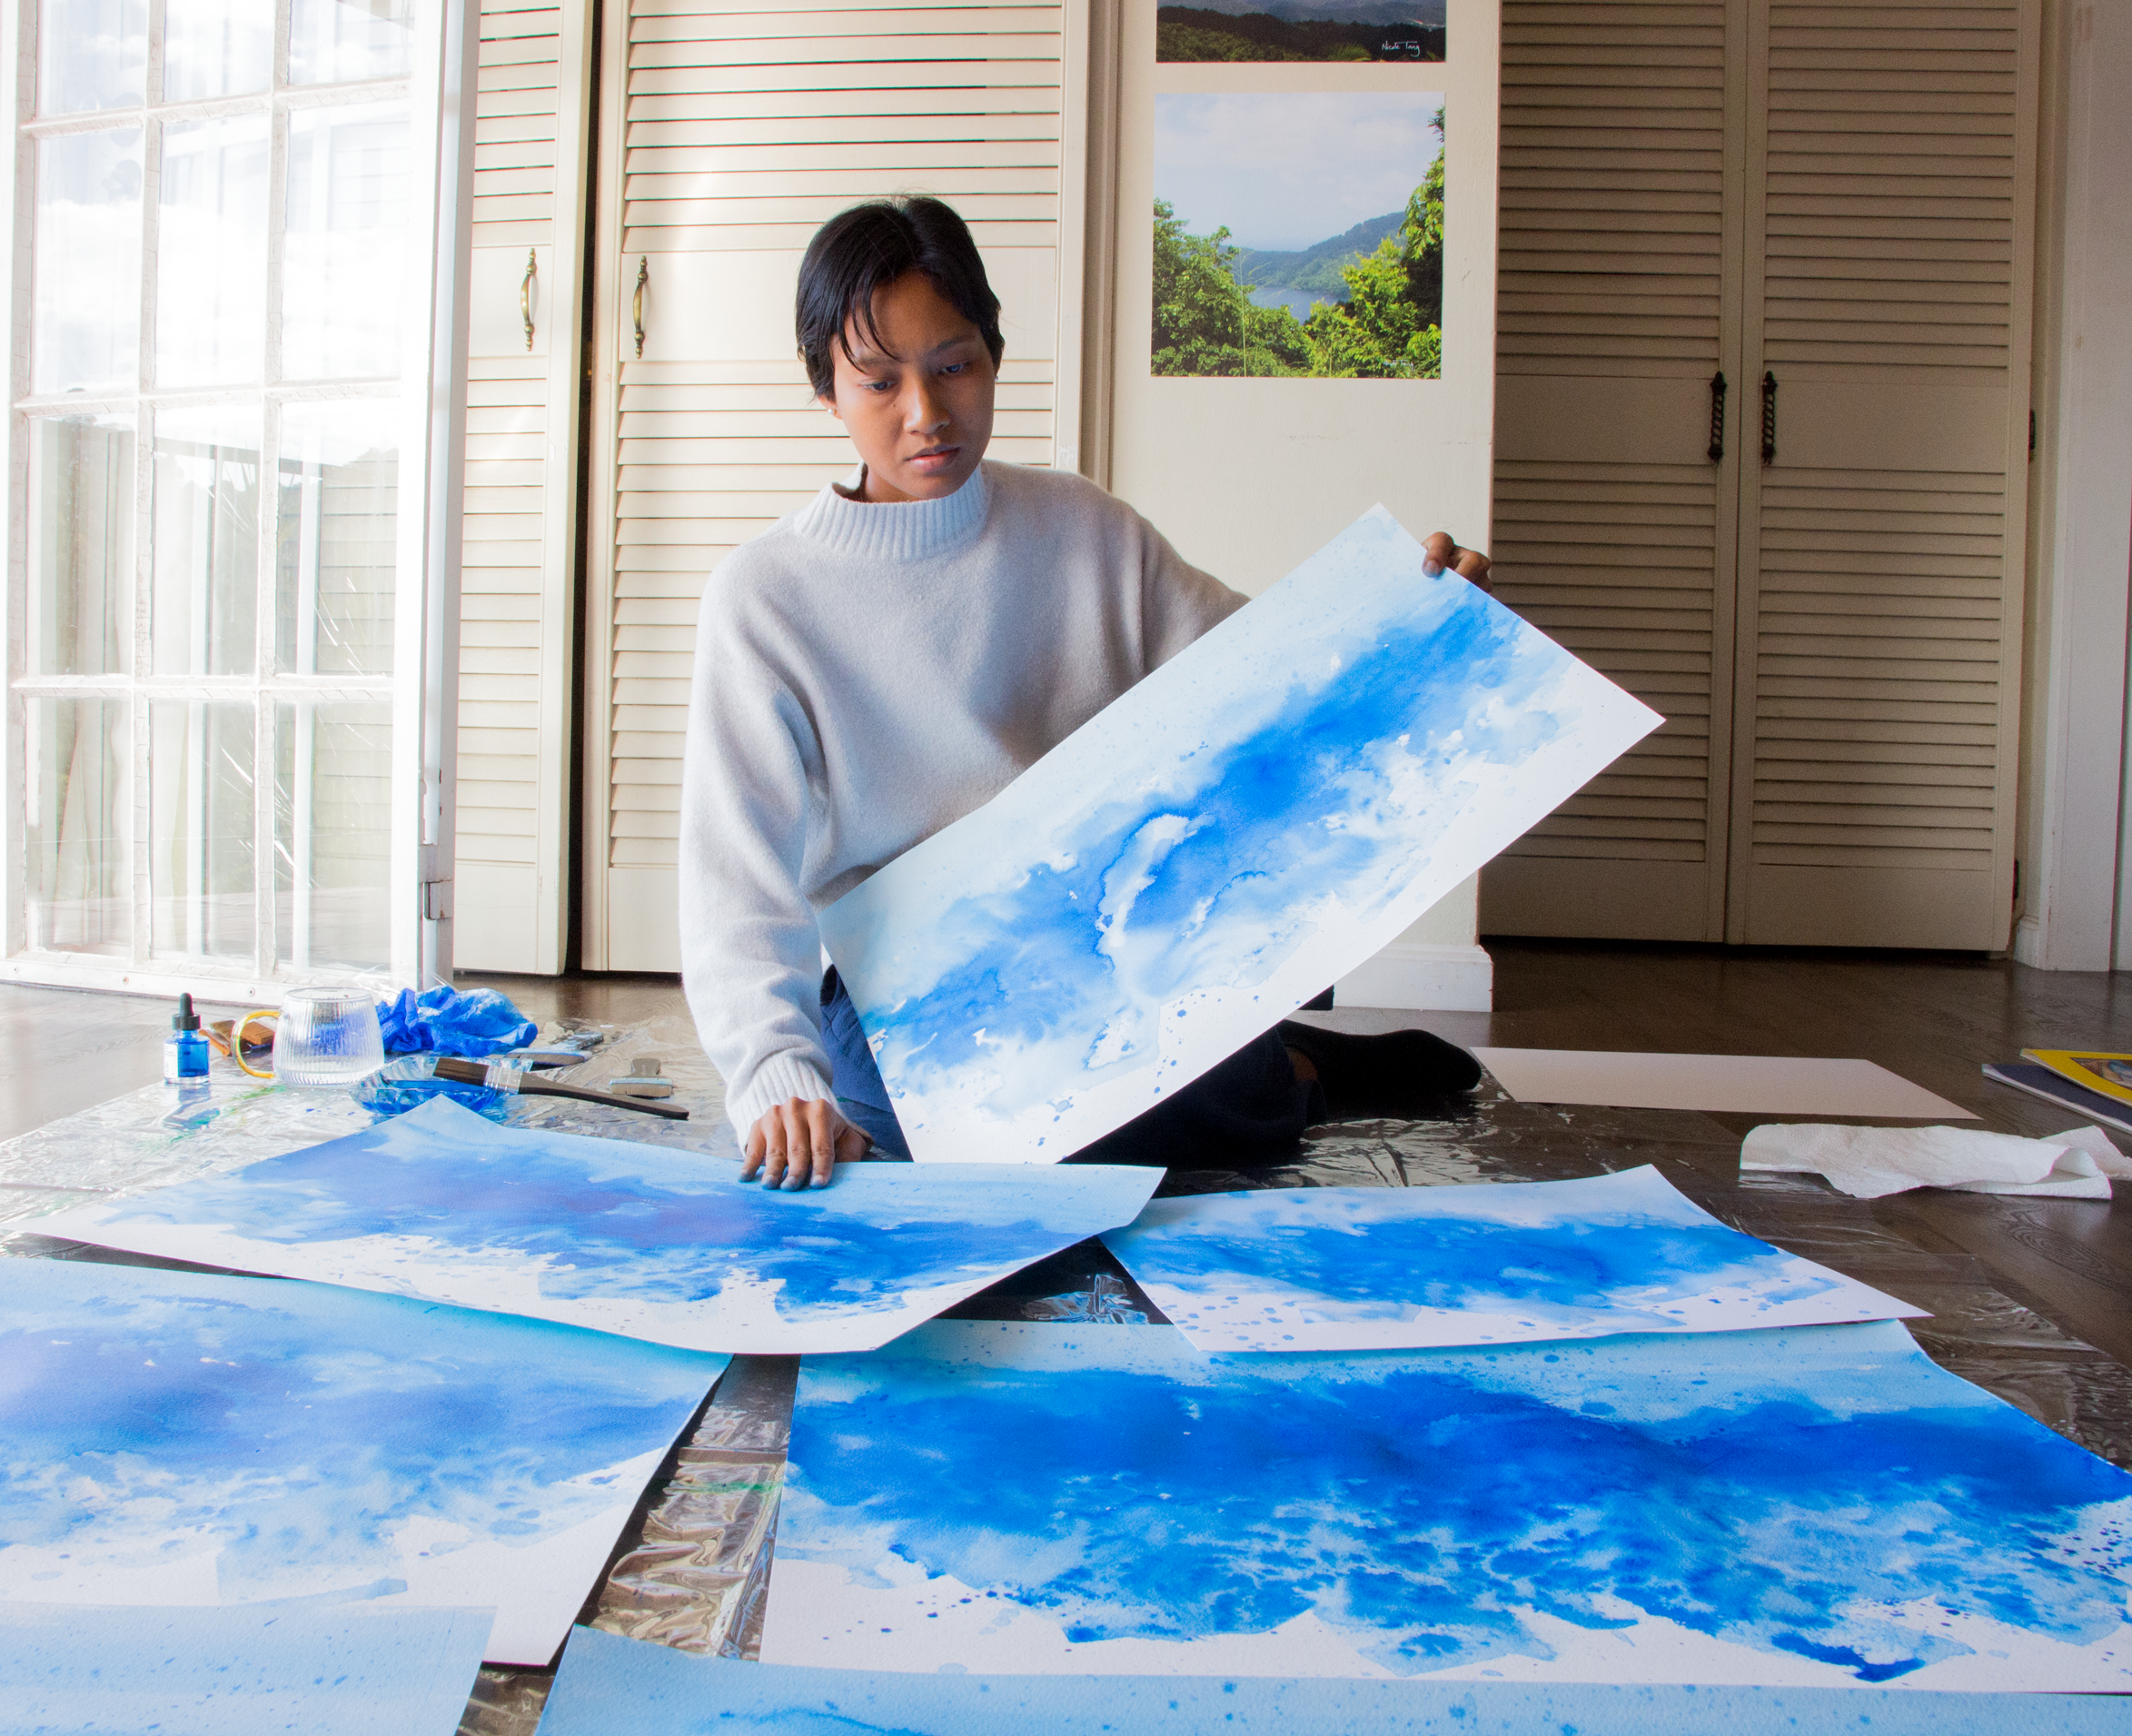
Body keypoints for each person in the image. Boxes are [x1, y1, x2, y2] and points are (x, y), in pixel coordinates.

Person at [680, 195, 1492, 1191]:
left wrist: (1411, 613)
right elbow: (734, 878)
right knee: (915, 1120)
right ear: (826, 391)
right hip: (906, 982)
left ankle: (1285, 1070)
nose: (926, 413)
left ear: (994, 354)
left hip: (1111, 943)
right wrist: (771, 1069)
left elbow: (1272, 669)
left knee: (1137, 1102)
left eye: (954, 365)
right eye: (879, 381)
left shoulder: (1081, 527)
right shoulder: (764, 597)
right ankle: (1274, 1071)